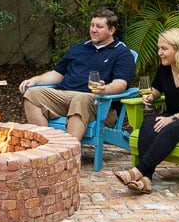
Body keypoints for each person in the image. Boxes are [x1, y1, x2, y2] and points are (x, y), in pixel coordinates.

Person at [115, 28, 179, 194]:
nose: (159, 53)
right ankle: (147, 179)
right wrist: (150, 96)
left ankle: (137, 172)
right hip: (177, 119)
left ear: (178, 48)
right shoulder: (165, 67)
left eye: (164, 49)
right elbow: (156, 90)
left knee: (171, 127)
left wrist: (172, 118)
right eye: (159, 48)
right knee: (148, 124)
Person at [17, 8, 136, 140]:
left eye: (99, 27)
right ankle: (46, 146)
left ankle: (68, 153)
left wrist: (104, 90)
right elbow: (57, 74)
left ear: (111, 30)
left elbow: (121, 84)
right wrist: (35, 80)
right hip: (65, 97)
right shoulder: (79, 48)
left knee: (79, 100)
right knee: (32, 94)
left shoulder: (121, 52)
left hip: (98, 103)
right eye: (92, 25)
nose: (93, 29)